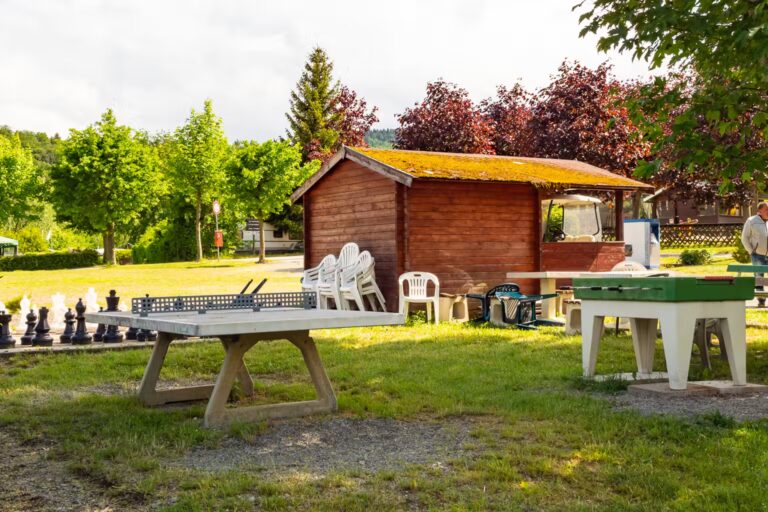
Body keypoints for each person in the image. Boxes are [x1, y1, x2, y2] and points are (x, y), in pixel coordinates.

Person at [741, 202, 768, 307]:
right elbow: (744, 237)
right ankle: (761, 300)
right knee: (759, 278)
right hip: (758, 254)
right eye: (766, 210)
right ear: (760, 211)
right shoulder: (751, 221)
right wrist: (751, 251)